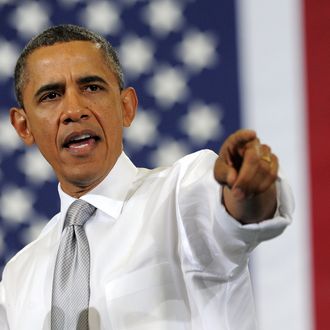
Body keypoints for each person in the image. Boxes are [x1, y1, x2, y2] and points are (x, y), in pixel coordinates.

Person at [0, 24, 293, 330]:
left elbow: (235, 213)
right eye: (51, 95)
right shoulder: (18, 276)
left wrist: (248, 192)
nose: (74, 109)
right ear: (23, 127)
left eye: (92, 87)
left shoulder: (181, 194)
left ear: (126, 107)